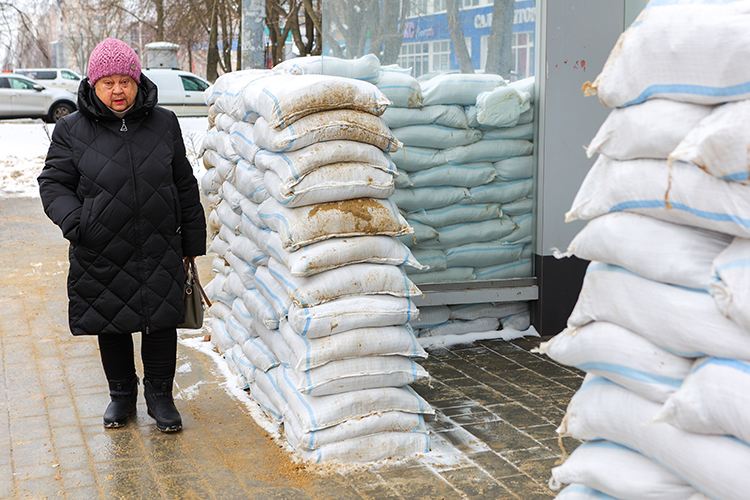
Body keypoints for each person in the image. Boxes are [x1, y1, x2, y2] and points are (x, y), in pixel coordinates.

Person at [38, 38, 206, 432]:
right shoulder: (71, 129)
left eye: (125, 81)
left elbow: (184, 183)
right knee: (111, 322)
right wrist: (78, 224)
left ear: (137, 80)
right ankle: (121, 396)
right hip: (100, 247)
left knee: (161, 322)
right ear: (93, 84)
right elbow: (53, 184)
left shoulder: (164, 122)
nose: (118, 90)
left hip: (159, 242)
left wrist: (192, 243)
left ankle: (161, 398)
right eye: (108, 82)